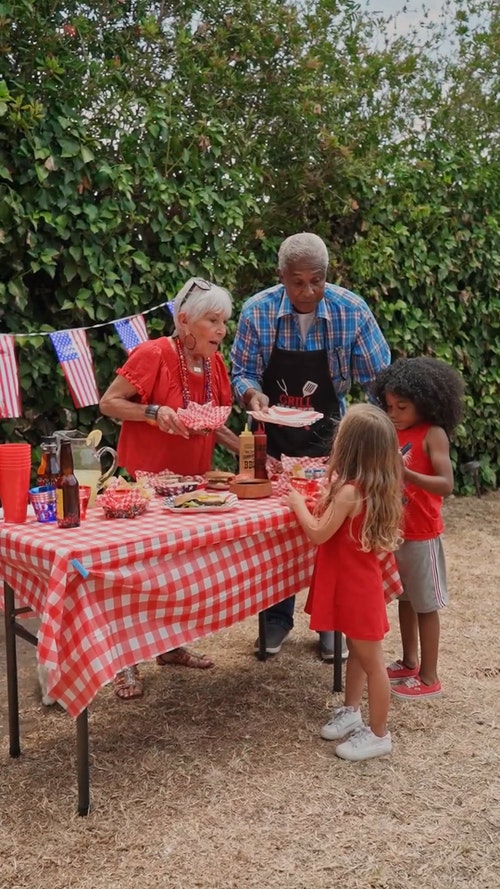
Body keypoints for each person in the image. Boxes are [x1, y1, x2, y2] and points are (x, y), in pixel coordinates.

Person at [231, 232, 391, 660]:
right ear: (280, 276)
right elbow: (242, 371)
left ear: (327, 275)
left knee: (332, 531)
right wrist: (252, 396)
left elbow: (379, 381)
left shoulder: (351, 310)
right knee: (273, 531)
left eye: (315, 281)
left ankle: (330, 623)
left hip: (332, 439)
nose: (307, 292)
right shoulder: (257, 311)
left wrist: (365, 435)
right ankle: (276, 619)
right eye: (296, 282)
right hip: (272, 438)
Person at [99, 277, 239, 699]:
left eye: (223, 322)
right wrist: (153, 410)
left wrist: (249, 453)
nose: (220, 330)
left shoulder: (213, 363)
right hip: (142, 487)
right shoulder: (154, 353)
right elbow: (109, 403)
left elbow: (213, 421)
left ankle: (171, 647)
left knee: (177, 573)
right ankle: (126, 664)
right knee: (135, 576)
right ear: (184, 321)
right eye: (212, 321)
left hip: (191, 488)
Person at [286, 403, 402, 761]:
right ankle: (352, 711)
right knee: (357, 655)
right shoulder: (362, 487)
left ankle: (380, 734)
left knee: (372, 663)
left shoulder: (352, 492)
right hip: (354, 587)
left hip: (356, 592)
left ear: (348, 447)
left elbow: (319, 534)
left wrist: (296, 503)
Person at [372, 356, 465, 699]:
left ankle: (429, 678)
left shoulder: (433, 434)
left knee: (425, 606)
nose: (393, 412)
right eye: (389, 405)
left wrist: (407, 474)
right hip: (395, 532)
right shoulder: (392, 430)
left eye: (402, 406)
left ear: (424, 404)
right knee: (405, 600)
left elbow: (445, 483)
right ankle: (409, 661)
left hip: (422, 533)